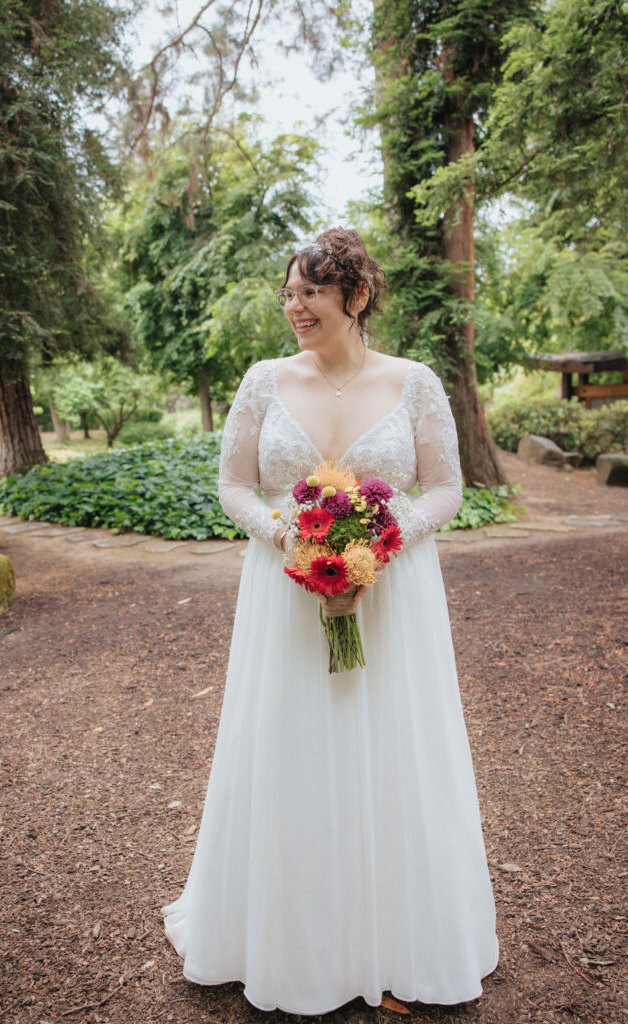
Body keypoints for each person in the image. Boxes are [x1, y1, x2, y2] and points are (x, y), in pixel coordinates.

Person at [161, 227, 499, 1015]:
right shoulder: (262, 381)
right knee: (291, 745)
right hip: (285, 589)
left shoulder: (413, 382)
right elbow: (235, 486)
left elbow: (444, 486)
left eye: (309, 291)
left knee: (392, 745)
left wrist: (387, 540)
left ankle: (399, 931)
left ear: (355, 295)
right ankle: (287, 940)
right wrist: (286, 534)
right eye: (287, 293)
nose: (294, 307)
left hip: (393, 594)